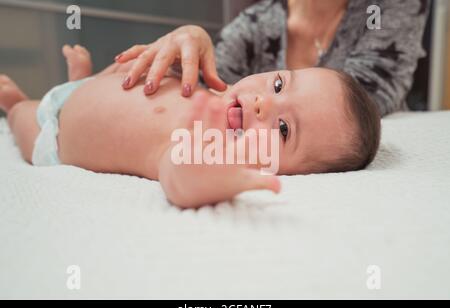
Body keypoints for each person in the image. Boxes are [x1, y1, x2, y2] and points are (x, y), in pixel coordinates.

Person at [0, 45, 380, 208]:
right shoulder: (213, 85)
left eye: (283, 130)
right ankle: (82, 78)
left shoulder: (202, 149)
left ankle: (15, 103)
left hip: (59, 137)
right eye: (279, 85)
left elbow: (180, 180)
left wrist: (210, 176)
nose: (265, 102)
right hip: (92, 88)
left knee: (23, 120)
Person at [116, 0, 430, 116]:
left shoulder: (391, 7)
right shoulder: (256, 24)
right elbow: (203, 96)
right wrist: (184, 57)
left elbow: (359, 108)